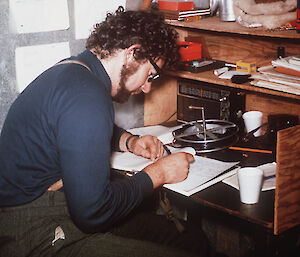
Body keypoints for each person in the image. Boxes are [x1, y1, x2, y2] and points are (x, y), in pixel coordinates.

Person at [0, 7, 211, 257]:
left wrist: (128, 141)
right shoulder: (88, 97)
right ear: (133, 54)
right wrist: (159, 174)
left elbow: (72, 127)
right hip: (30, 230)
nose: (146, 88)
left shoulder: (74, 71)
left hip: (52, 206)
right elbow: (93, 213)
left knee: (191, 238)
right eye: (150, 75)